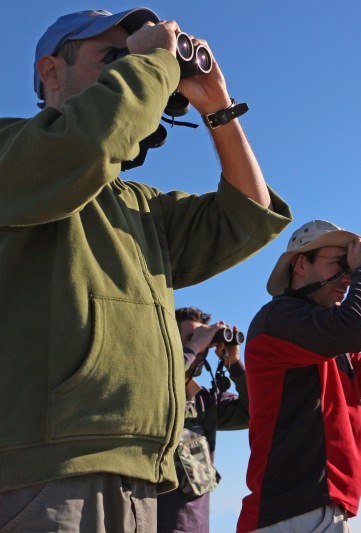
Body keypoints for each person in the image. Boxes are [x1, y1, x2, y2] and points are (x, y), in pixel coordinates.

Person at [0, 7, 291, 532]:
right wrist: (155, 59)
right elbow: (85, 145)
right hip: (45, 468)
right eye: (112, 57)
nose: (136, 66)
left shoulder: (142, 206)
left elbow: (248, 211)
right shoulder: (12, 151)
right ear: (51, 73)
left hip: (143, 474)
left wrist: (217, 106)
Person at [236, 219, 361, 533]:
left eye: (351, 268)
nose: (348, 278)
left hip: (320, 511)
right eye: (340, 264)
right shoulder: (276, 319)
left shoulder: (335, 349)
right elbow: (355, 329)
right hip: (289, 512)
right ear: (299, 264)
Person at [157, 307, 250, 533]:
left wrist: (234, 363)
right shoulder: (153, 393)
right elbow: (164, 383)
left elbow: (257, 411)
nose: (200, 346)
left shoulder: (205, 401)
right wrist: (193, 347)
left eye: (202, 338)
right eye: (190, 338)